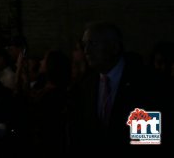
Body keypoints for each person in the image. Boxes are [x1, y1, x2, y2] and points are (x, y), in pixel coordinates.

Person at [67, 21, 172, 154]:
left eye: (93, 43)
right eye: (84, 45)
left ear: (114, 47)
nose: (86, 51)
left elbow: (146, 139)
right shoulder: (85, 85)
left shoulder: (144, 82)